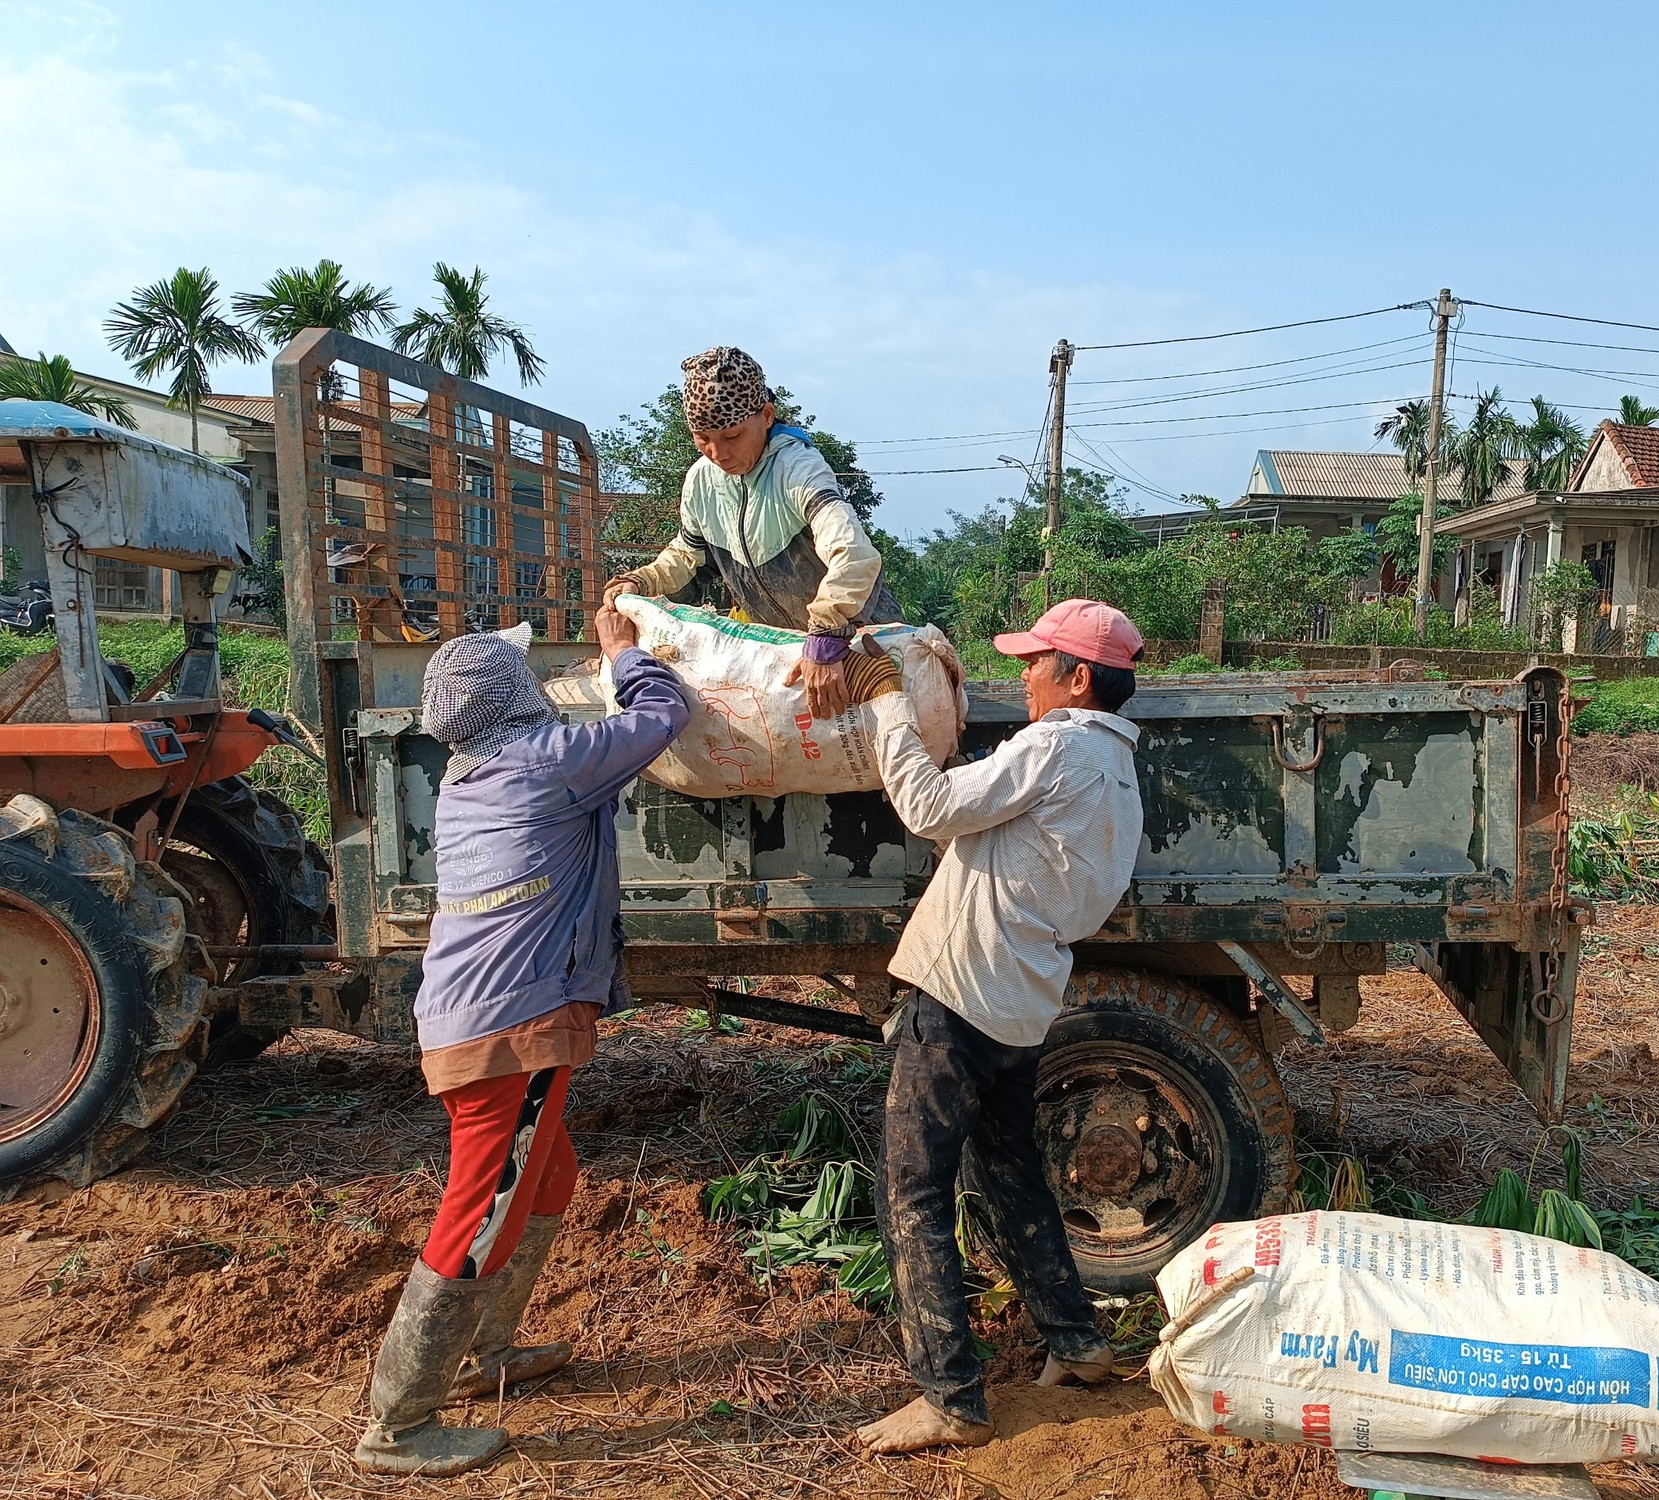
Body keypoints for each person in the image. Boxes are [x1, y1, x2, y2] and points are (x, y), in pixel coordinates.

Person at [352, 605, 690, 1476]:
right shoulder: (544, 764)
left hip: (479, 1011)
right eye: (526, 676)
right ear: (507, 696)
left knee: (550, 1174)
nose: (540, 685)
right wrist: (626, 656)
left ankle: (483, 1352)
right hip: (511, 1027)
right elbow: (662, 720)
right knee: (482, 1204)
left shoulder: (467, 776)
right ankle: (398, 1425)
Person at [855, 598, 1148, 1455]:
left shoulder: (1056, 745)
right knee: (1013, 1173)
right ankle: (1077, 1340)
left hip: (960, 989)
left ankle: (949, 1394)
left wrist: (884, 702)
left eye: (1035, 661)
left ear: (1079, 679)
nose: (1022, 675)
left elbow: (928, 805)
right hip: (1021, 996)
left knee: (911, 1189)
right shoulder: (1118, 770)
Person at [603, 345, 899, 722]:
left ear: (767, 415)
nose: (717, 453)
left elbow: (853, 554)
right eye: (702, 437)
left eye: (732, 435)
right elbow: (685, 555)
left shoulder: (799, 468)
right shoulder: (701, 482)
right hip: (783, 656)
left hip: (857, 642)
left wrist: (829, 634)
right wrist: (641, 581)